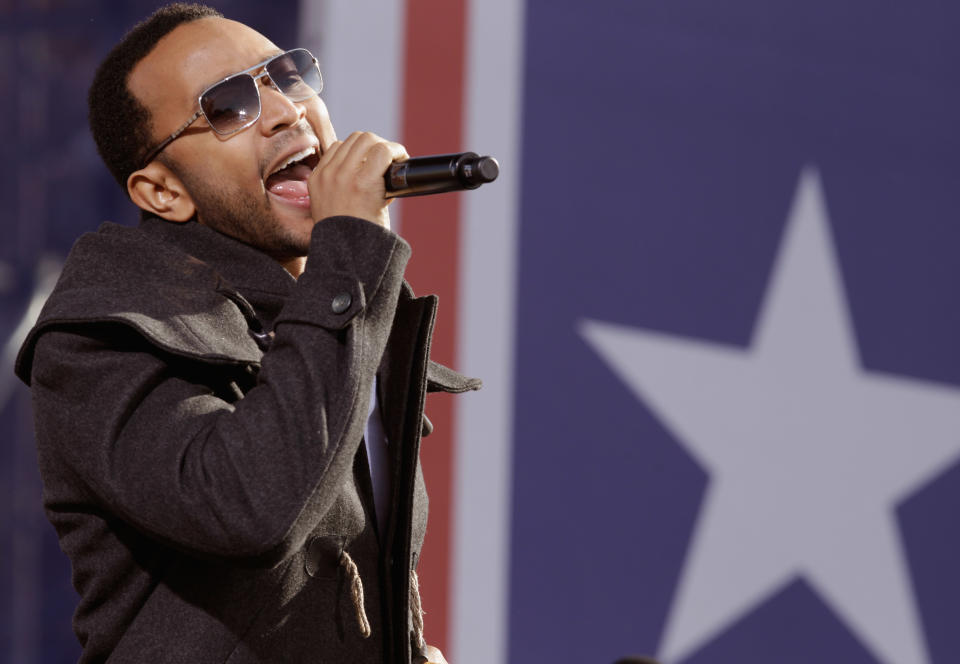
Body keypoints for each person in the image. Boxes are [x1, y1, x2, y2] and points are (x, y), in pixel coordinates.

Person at [13, 3, 479, 663]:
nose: (288, 109)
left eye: (286, 77)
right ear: (163, 191)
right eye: (230, 105)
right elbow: (253, 511)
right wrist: (351, 254)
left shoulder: (330, 316)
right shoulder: (104, 336)